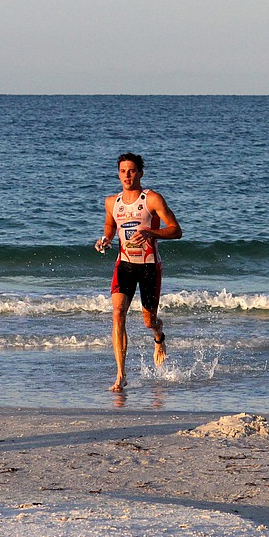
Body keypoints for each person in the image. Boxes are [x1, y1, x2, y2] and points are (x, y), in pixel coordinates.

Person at [95, 152, 182, 393]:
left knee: (148, 321)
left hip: (149, 265)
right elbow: (110, 226)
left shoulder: (152, 199)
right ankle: (121, 374)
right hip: (124, 263)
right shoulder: (112, 202)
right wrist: (105, 239)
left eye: (131, 171)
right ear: (118, 173)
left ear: (140, 173)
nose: (127, 175)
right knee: (117, 312)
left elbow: (176, 230)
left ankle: (159, 335)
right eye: (123, 171)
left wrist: (151, 233)